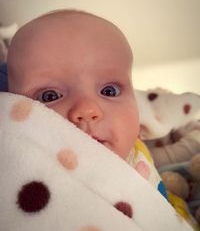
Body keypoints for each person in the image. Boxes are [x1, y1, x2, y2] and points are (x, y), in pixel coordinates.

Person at [6, 10, 167, 198]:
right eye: (50, 96)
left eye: (109, 91)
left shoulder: (133, 147)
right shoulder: (23, 185)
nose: (87, 109)